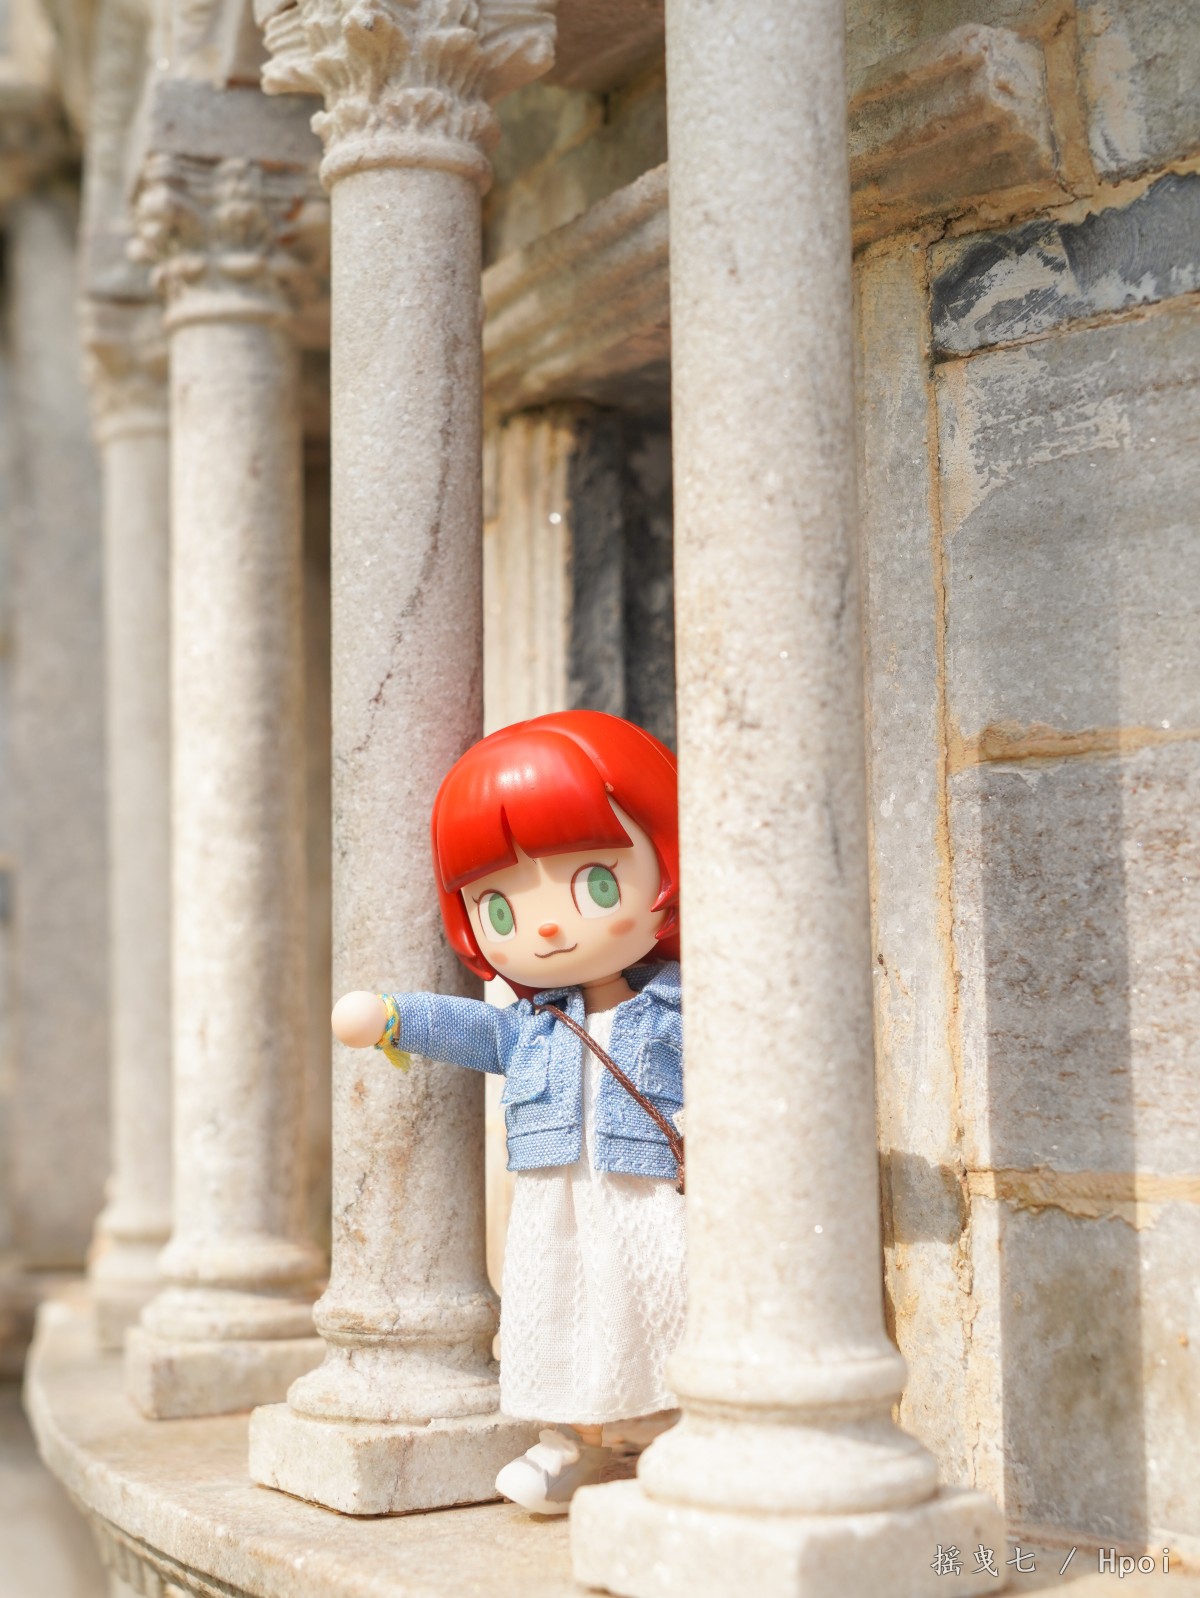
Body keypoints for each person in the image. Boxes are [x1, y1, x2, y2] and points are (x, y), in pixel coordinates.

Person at [331, 710, 686, 1514]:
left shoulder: (676, 1007)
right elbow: (479, 1031)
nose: (548, 925)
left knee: (660, 1302)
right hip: (556, 1198)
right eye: (501, 908)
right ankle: (570, 1442)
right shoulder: (536, 1024)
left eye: (595, 884)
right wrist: (394, 1017)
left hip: (645, 1191)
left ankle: (673, 1427)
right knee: (559, 1310)